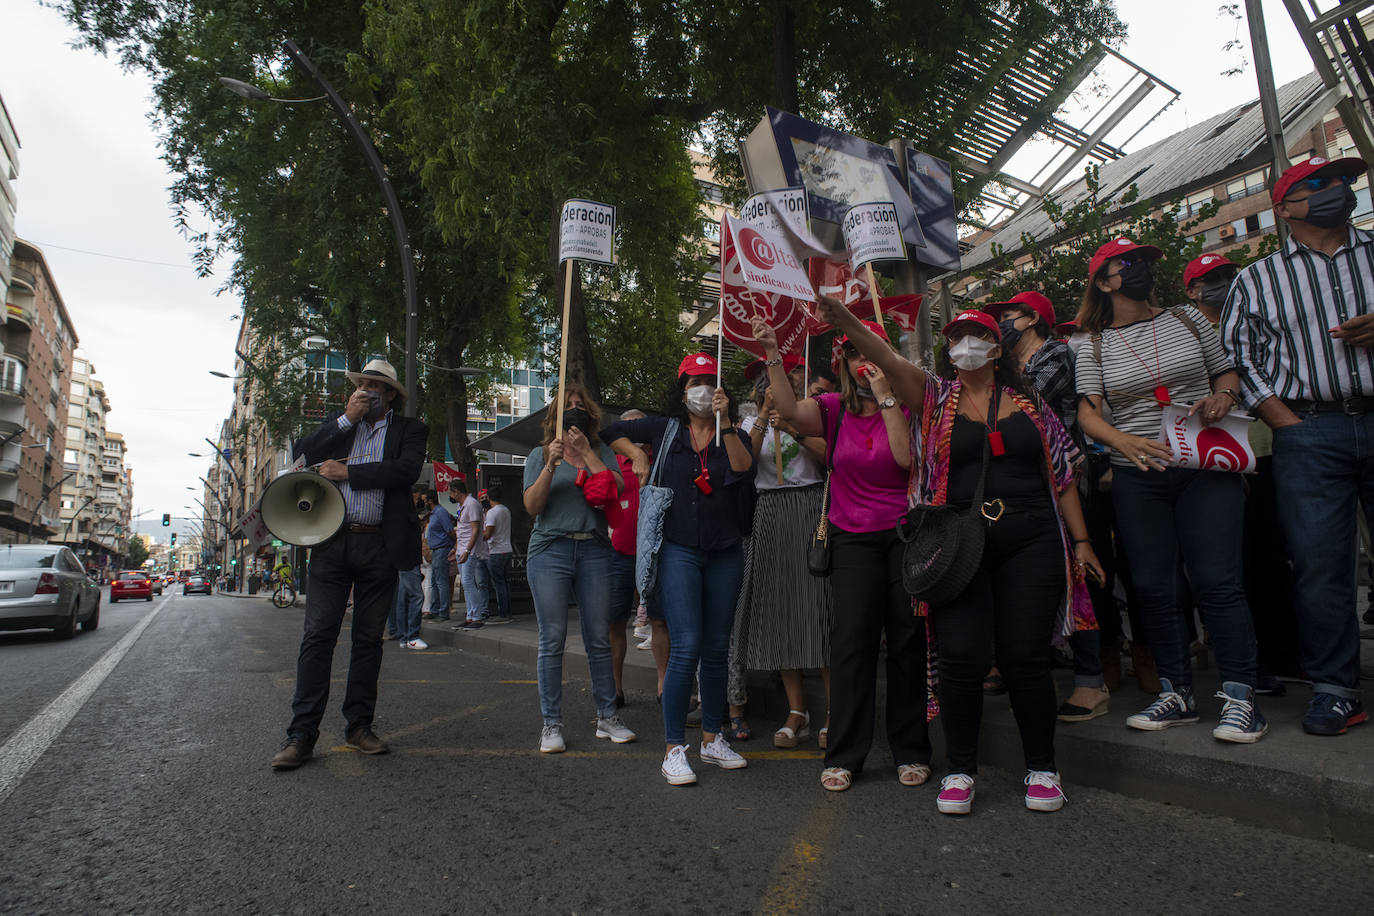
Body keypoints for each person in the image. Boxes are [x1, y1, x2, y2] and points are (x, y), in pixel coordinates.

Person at [826, 304, 1100, 813]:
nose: (965, 344)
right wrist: (844, 321)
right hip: (958, 545)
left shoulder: (1030, 401)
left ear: (997, 349)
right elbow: (884, 354)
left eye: (976, 336)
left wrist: (1081, 542)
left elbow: (1062, 476)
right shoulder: (933, 398)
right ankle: (960, 770)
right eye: (956, 337)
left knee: (1025, 657)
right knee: (962, 658)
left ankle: (1043, 768)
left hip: (1032, 539)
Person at [1077, 236, 1268, 744]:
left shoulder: (1187, 319)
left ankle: (1242, 696)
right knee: (1155, 588)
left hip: (1203, 463)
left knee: (1216, 580)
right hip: (1139, 475)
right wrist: (1123, 441)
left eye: (1143, 261)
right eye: (1127, 264)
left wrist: (1224, 394)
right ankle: (1177, 692)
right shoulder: (1090, 342)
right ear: (1103, 282)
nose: (1139, 269)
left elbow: (1226, 370)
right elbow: (1087, 413)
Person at [1221, 155, 1374, 735]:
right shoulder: (1258, 278)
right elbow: (1238, 356)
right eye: (1319, 184)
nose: (1338, 189)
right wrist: (1284, 419)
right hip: (1311, 431)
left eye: (1342, 180)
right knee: (1319, 565)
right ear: (1285, 208)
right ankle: (1337, 688)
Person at [753, 317, 930, 794]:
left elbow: (904, 460)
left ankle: (911, 749)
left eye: (868, 350)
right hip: (851, 538)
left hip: (902, 538)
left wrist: (887, 395)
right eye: (852, 353)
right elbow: (788, 409)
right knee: (851, 646)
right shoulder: (833, 408)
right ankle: (846, 753)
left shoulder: (911, 402)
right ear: (844, 364)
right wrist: (772, 351)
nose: (861, 359)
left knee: (907, 643)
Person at [602, 353, 754, 786]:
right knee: (686, 644)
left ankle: (712, 738)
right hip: (679, 551)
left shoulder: (733, 433)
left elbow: (744, 472)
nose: (703, 388)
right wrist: (635, 453)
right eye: (695, 381)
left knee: (717, 647)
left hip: (726, 550)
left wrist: (726, 423)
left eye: (710, 380)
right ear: (682, 387)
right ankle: (673, 748)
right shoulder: (663, 429)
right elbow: (608, 429)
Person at [270, 358, 427, 770]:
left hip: (379, 546)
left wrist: (349, 471)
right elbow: (302, 452)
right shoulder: (339, 427)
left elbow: (405, 471)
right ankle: (300, 734)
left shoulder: (410, 429)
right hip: (331, 544)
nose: (369, 392)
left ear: (392, 395)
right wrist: (344, 421)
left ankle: (359, 726)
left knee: (368, 640)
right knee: (318, 636)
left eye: (378, 387)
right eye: (364, 385)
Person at [986, 290, 1109, 721]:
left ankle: (1091, 681)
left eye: (1008, 315)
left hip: (1062, 480)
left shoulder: (1056, 356)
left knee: (1074, 573)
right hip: (1020, 486)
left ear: (1033, 318)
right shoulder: (1002, 368)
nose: (1000, 323)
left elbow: (1021, 402)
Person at [524, 382, 635, 753]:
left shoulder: (600, 450)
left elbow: (617, 489)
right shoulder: (540, 454)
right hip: (550, 550)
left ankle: (607, 717)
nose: (574, 409)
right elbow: (532, 507)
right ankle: (550, 724)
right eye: (567, 405)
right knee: (551, 640)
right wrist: (551, 466)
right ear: (555, 416)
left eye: (580, 405)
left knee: (599, 639)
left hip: (594, 551)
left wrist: (588, 454)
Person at [733, 357, 833, 749]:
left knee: (818, 610)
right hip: (769, 510)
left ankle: (834, 711)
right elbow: (745, 465)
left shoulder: (813, 416)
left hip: (809, 508)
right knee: (781, 611)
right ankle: (797, 711)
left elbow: (830, 456)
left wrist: (793, 426)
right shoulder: (747, 423)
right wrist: (762, 416)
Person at [604, 409, 648, 707]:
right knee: (615, 623)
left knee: (661, 624)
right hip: (619, 554)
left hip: (655, 553)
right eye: (626, 426)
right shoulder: (611, 463)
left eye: (637, 425)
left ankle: (663, 687)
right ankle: (615, 689)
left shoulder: (657, 459)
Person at [450, 480, 491, 629]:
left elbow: (475, 529)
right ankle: (470, 615)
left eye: (451, 492)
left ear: (456, 491)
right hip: (462, 548)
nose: (451, 496)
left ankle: (477, 616)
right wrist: (456, 548)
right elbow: (463, 529)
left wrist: (467, 550)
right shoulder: (462, 505)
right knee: (466, 583)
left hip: (469, 550)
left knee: (468, 582)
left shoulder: (471, 504)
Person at [482, 484, 514, 624]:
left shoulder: (492, 513)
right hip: (507, 549)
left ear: (488, 497)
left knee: (498, 583)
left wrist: (477, 535)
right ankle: (508, 612)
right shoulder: (506, 510)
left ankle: (503, 614)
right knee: (505, 582)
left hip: (495, 551)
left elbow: (488, 534)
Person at [423, 490, 455, 621]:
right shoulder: (434, 513)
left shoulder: (440, 512)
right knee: (435, 581)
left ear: (430, 501)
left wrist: (453, 543)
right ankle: (435, 609)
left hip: (442, 548)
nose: (424, 503)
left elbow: (449, 530)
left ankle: (443, 611)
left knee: (441, 581)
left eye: (425, 500)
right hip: (436, 549)